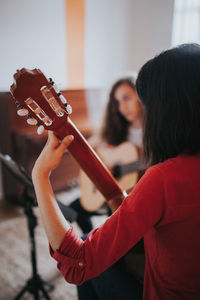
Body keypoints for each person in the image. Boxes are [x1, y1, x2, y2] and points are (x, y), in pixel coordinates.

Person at [32, 43, 200, 300]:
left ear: (169, 111)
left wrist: (40, 176)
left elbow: (79, 263)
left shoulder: (164, 178)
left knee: (90, 253)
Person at [69, 76, 143, 234]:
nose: (122, 107)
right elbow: (88, 147)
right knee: (73, 210)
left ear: (141, 95)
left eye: (127, 98)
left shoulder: (153, 133)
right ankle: (89, 240)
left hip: (133, 196)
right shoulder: (117, 127)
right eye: (117, 102)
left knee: (114, 222)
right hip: (111, 191)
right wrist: (103, 164)